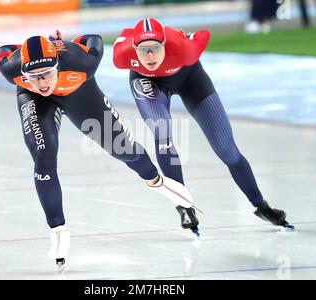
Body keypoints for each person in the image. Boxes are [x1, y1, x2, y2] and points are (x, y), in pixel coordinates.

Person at [0, 30, 197, 267]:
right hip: (33, 101)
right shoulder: (12, 68)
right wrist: (25, 49)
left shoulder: (82, 62)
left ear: (57, 64)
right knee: (43, 155)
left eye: (47, 74)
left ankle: (157, 182)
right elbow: (2, 51)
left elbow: (93, 39)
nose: (41, 82)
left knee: (124, 149)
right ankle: (58, 230)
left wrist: (70, 42)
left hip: (79, 92)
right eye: (33, 76)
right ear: (22, 72)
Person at [113, 18, 294, 233]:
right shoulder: (122, 56)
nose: (150, 56)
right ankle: (183, 205)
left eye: (154, 48)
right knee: (162, 134)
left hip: (190, 78)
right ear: (134, 48)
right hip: (147, 81)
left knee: (227, 149)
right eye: (143, 50)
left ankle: (261, 206)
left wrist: (183, 36)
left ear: (164, 44)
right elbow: (124, 36)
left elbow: (203, 34)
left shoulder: (184, 48)